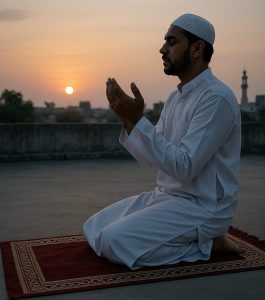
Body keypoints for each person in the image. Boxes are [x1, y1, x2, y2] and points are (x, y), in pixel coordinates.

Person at [83, 13, 241, 269]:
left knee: (114, 242)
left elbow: (184, 167)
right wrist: (129, 120)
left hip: (202, 207)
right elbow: (149, 157)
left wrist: (139, 121)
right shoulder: (175, 97)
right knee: (93, 226)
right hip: (167, 198)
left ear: (197, 48)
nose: (162, 49)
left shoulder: (216, 98)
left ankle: (210, 243)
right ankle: (202, 241)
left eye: (171, 42)